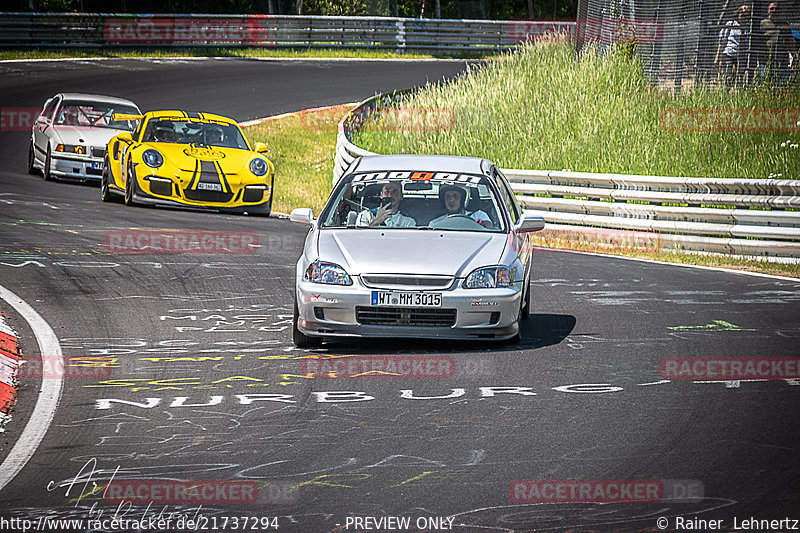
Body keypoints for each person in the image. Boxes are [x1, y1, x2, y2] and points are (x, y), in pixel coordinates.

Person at [714, 4, 750, 86]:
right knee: (728, 77)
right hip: (729, 54)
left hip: (741, 57)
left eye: (746, 16)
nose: (743, 17)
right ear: (738, 14)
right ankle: (726, 93)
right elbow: (722, 41)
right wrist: (717, 57)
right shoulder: (730, 24)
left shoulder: (749, 28)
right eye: (742, 14)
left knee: (739, 79)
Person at [757, 2, 792, 84]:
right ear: (768, 11)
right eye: (772, 8)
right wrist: (757, 59)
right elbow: (757, 42)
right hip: (765, 59)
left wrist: (793, 56)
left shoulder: (784, 24)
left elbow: (789, 40)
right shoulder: (762, 23)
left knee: (782, 83)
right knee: (765, 82)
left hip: (781, 59)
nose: (774, 10)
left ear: (780, 11)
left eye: (776, 8)